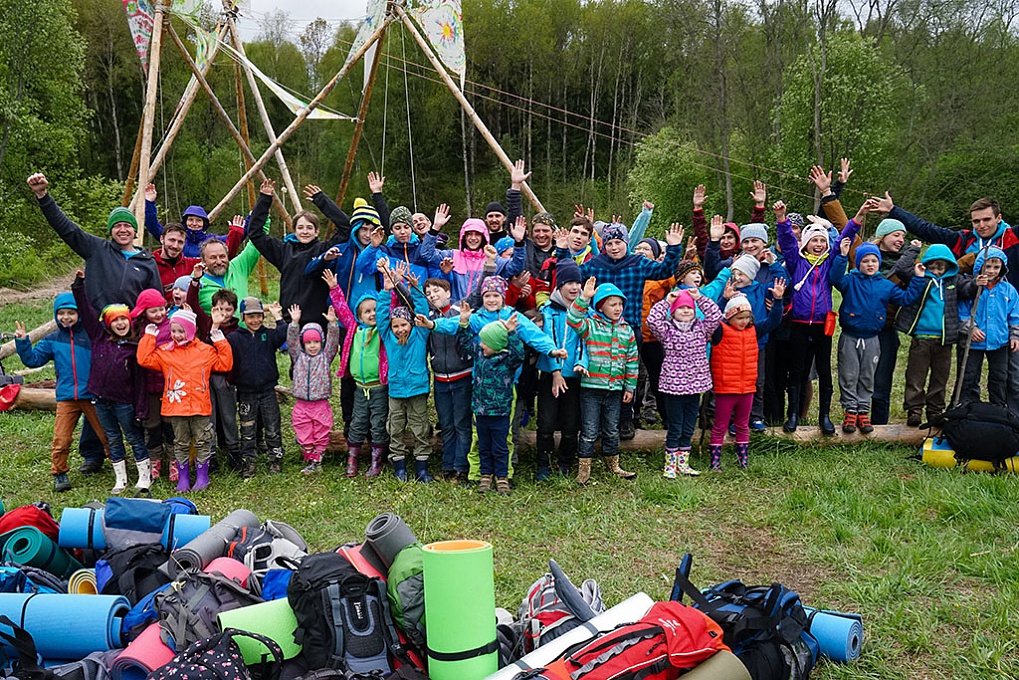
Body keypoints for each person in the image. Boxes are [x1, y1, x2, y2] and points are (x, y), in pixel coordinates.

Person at [874, 192, 1019, 411]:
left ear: (998, 218)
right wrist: (894, 211)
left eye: (986, 219)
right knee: (967, 373)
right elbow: (927, 228)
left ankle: (1011, 420)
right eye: (976, 221)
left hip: (1004, 319)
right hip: (967, 319)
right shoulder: (963, 240)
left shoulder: (1013, 238)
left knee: (1010, 376)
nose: (981, 225)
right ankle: (966, 415)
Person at [554, 221, 685, 440]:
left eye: (618, 242)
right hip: (600, 330)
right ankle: (597, 420)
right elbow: (569, 274)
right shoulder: (595, 264)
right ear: (604, 244)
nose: (614, 247)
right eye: (610, 243)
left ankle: (626, 418)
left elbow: (664, 270)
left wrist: (673, 249)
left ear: (626, 243)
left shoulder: (638, 263)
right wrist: (561, 250)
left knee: (627, 374)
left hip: (630, 329)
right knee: (603, 374)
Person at [774, 198, 866, 434]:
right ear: (805, 243)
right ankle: (793, 414)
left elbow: (846, 234)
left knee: (824, 370)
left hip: (823, 324)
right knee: (797, 370)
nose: (818, 244)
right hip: (799, 323)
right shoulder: (796, 262)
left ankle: (824, 416)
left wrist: (859, 215)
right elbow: (786, 241)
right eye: (813, 240)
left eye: (821, 241)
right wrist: (782, 220)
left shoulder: (828, 262)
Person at [15, 293, 110, 492]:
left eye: (71, 313)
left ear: (80, 314)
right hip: (67, 398)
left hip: (92, 395)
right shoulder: (52, 340)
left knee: (106, 434)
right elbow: (33, 360)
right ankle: (59, 473)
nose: (66, 317)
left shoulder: (91, 335)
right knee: (61, 438)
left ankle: (119, 467)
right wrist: (23, 342)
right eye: (61, 313)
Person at [830, 238, 925, 433]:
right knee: (848, 374)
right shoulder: (850, 280)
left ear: (879, 262)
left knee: (867, 375)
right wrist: (841, 256)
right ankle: (850, 410)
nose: (870, 265)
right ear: (858, 263)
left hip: (873, 338)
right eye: (865, 261)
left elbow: (906, 299)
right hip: (850, 336)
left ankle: (863, 411)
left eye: (874, 261)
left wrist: (918, 278)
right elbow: (835, 279)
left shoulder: (885, 285)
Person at [27, 173, 161, 311]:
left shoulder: (147, 262)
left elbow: (155, 301)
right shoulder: (96, 249)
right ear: (110, 231)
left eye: (127, 226)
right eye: (117, 226)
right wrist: (42, 195)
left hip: (130, 327)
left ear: (135, 231)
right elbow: (66, 228)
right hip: (97, 326)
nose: (122, 230)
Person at [136, 308, 233, 492]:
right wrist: (149, 338)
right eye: (173, 331)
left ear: (191, 330)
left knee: (202, 441)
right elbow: (144, 359)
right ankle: (183, 478)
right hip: (176, 407)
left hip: (199, 406)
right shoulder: (165, 352)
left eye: (181, 331)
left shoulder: (205, 351)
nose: (177, 335)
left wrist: (219, 339)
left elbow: (225, 363)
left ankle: (203, 477)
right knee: (180, 442)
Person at [71, 272, 150, 495]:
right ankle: (121, 478)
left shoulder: (134, 349)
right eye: (115, 321)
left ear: (130, 321)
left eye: (124, 319)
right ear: (108, 324)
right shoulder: (99, 337)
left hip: (124, 402)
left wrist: (141, 409)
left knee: (133, 437)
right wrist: (79, 286)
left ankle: (145, 476)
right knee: (112, 438)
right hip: (100, 400)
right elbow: (86, 312)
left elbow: (140, 384)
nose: (121, 323)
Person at [248, 179, 351, 328]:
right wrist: (264, 199)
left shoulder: (324, 250)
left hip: (318, 323)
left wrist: (321, 200)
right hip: (290, 321)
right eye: (300, 228)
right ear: (294, 231)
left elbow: (346, 228)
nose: (305, 231)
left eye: (309, 228)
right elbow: (255, 233)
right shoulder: (283, 251)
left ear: (317, 232)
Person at [567, 277, 639, 484]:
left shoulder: (627, 331)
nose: (618, 308)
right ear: (600, 306)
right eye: (612, 304)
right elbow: (572, 319)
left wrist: (630, 387)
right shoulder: (590, 326)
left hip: (615, 389)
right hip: (591, 388)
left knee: (611, 429)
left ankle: (613, 465)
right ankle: (584, 469)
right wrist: (584, 298)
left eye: (620, 304)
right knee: (589, 430)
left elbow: (632, 361)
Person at [709, 283, 785, 471]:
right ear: (729, 316)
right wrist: (724, 299)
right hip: (726, 388)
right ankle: (715, 462)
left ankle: (743, 459)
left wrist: (778, 301)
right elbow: (711, 319)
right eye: (739, 318)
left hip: (747, 388)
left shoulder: (754, 331)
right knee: (720, 425)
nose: (744, 322)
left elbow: (773, 321)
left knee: (743, 425)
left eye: (747, 317)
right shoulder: (720, 331)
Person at [646, 287, 722, 478]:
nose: (686, 311)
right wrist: (667, 301)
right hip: (673, 387)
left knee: (689, 426)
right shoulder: (667, 331)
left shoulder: (702, 328)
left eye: (689, 308)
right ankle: (670, 465)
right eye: (681, 308)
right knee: (675, 426)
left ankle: (683, 463)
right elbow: (652, 320)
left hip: (695, 386)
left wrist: (700, 298)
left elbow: (715, 316)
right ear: (673, 312)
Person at [893, 245, 968, 426]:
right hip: (921, 338)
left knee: (940, 378)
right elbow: (901, 268)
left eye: (940, 267)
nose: (935, 271)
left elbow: (969, 288)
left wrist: (978, 281)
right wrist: (913, 250)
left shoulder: (954, 281)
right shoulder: (921, 278)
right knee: (915, 377)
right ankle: (914, 410)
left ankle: (935, 411)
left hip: (944, 339)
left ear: (948, 267)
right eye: (932, 267)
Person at [327, 270, 390, 479]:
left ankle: (376, 460)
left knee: (378, 423)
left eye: (374, 310)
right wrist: (335, 289)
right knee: (357, 423)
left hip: (379, 388)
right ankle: (352, 457)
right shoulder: (354, 328)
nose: (372, 314)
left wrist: (387, 292)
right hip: (359, 388)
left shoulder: (382, 330)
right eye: (367, 311)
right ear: (359, 315)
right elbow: (343, 310)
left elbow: (382, 312)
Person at [457, 306, 524, 495]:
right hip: (481, 412)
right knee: (483, 446)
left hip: (500, 413)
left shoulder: (507, 360)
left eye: (485, 342)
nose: (481, 345)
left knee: (501, 447)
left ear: (495, 343)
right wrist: (463, 323)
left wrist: (511, 332)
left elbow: (519, 353)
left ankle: (502, 477)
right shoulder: (479, 356)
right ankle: (485, 475)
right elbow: (464, 344)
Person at [376, 261, 433, 482]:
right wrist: (386, 290)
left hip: (417, 389)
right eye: (396, 325)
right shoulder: (388, 337)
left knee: (420, 428)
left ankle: (422, 467)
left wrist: (415, 289)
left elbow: (421, 310)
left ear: (411, 324)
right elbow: (382, 316)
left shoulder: (420, 335)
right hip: (396, 391)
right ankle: (399, 465)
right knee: (395, 428)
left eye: (403, 324)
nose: (400, 328)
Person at [534, 259, 586, 480]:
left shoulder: (585, 311)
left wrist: (582, 363)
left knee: (570, 423)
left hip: (574, 377)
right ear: (559, 285)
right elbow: (548, 341)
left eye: (577, 283)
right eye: (569, 283)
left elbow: (586, 340)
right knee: (545, 422)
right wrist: (555, 372)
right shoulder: (548, 311)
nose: (574, 287)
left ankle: (565, 462)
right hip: (549, 375)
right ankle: (543, 464)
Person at [226, 297, 288, 476]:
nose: (255, 320)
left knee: (273, 428)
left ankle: (275, 460)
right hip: (246, 393)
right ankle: (248, 463)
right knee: (247, 429)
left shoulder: (268, 335)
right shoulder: (234, 338)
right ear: (243, 317)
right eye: (250, 316)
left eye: (259, 316)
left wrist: (278, 318)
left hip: (268, 391)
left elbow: (283, 334)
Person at [187, 270, 241, 470]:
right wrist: (195, 281)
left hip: (225, 379)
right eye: (219, 309)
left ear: (234, 311)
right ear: (212, 308)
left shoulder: (236, 330)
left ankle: (233, 452)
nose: (223, 313)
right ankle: (210, 456)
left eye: (228, 310)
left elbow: (235, 358)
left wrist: (232, 380)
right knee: (208, 418)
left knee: (228, 416)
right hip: (205, 378)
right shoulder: (206, 321)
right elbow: (192, 304)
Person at [421, 277, 473, 482]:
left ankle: (461, 466)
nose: (433, 295)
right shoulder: (428, 317)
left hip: (462, 377)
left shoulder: (458, 314)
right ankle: (447, 465)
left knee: (461, 423)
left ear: (448, 293)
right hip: (441, 379)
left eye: (436, 291)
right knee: (446, 424)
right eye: (428, 293)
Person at [958, 247, 1019, 407]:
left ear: (1003, 268)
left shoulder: (1008, 290)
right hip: (974, 342)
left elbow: (1014, 315)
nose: (992, 271)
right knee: (969, 376)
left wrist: (1015, 336)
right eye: (988, 267)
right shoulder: (972, 288)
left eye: (996, 267)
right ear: (980, 267)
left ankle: (998, 409)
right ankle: (965, 407)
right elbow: (962, 311)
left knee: (999, 376)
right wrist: (971, 328)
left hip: (1000, 341)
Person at [419, 214, 529, 303]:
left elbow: (516, 267)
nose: (473, 238)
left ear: (483, 237)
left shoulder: (492, 259)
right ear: (463, 236)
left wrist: (519, 243)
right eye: (469, 234)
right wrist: (435, 229)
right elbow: (426, 254)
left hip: (481, 315)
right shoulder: (452, 255)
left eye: (477, 235)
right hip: (456, 313)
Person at [288, 303, 341, 475]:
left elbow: (333, 342)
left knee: (321, 431)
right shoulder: (298, 356)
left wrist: (332, 325)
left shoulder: (325, 357)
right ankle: (308, 454)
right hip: (302, 403)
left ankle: (316, 460)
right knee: (302, 430)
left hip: (320, 403)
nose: (312, 345)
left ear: (321, 342)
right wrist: (294, 323)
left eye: (316, 342)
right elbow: (291, 342)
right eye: (308, 342)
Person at [130, 288, 174, 481]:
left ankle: (174, 460)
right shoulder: (138, 329)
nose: (159, 314)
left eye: (161, 309)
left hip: (170, 385)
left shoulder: (172, 326)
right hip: (148, 386)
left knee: (171, 424)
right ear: (143, 312)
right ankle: (154, 459)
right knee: (152, 424)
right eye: (153, 311)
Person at [143, 183, 241, 259]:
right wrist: (150, 202)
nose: (194, 223)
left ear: (204, 224)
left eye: (198, 220)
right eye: (190, 220)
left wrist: (252, 217)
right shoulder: (177, 239)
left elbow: (236, 238)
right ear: (185, 222)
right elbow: (153, 226)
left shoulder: (212, 241)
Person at [150, 223, 199, 303]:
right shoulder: (149, 265)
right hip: (159, 313)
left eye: (180, 242)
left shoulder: (192, 265)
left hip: (187, 313)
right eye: (172, 240)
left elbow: (216, 260)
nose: (175, 246)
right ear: (162, 239)